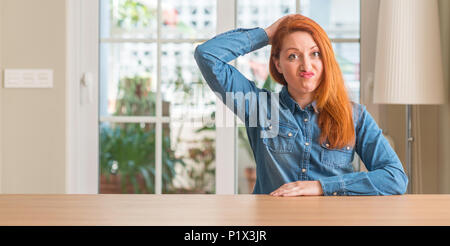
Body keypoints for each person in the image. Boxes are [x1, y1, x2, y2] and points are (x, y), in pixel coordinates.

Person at [194, 14, 408, 196]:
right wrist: (268, 34)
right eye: (293, 56)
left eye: (315, 54)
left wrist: (321, 187)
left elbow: (395, 177)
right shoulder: (258, 107)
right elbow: (207, 55)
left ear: (325, 60)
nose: (306, 65)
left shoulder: (354, 115)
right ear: (278, 63)